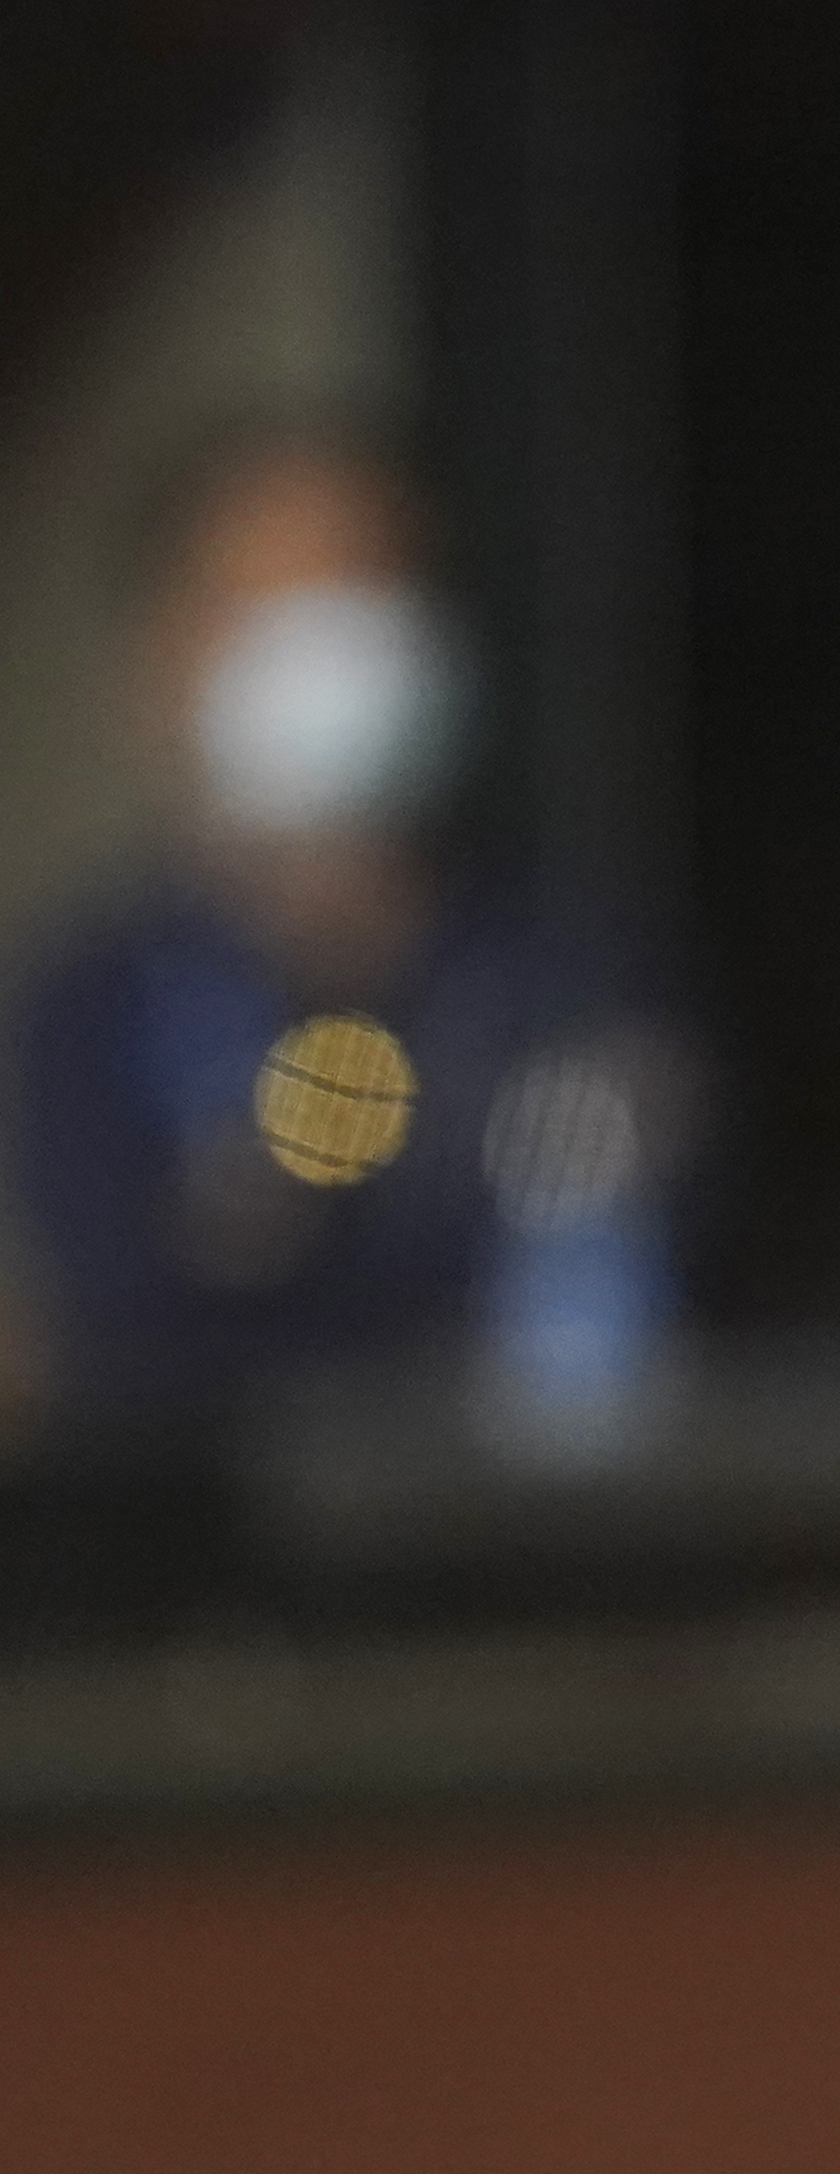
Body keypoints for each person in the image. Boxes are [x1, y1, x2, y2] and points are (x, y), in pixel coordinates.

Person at [9, 425, 684, 1460]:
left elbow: (632, 1314)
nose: (330, 653)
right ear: (163, 656)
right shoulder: (83, 1011)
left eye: (366, 597)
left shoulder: (574, 982)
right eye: (275, 610)